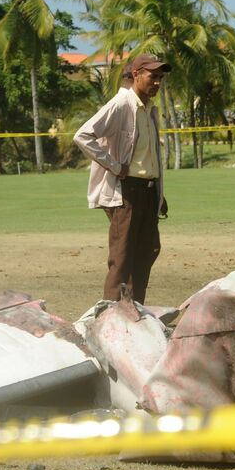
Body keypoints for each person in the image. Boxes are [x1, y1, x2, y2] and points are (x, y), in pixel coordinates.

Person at [74, 53, 171, 303]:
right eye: (152, 76)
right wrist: (115, 167)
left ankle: (133, 309)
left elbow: (148, 157)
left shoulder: (149, 109)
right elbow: (83, 136)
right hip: (126, 192)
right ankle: (110, 316)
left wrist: (159, 194)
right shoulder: (121, 105)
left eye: (160, 77)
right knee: (122, 258)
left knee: (148, 250)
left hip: (147, 192)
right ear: (137, 75)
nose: (157, 82)